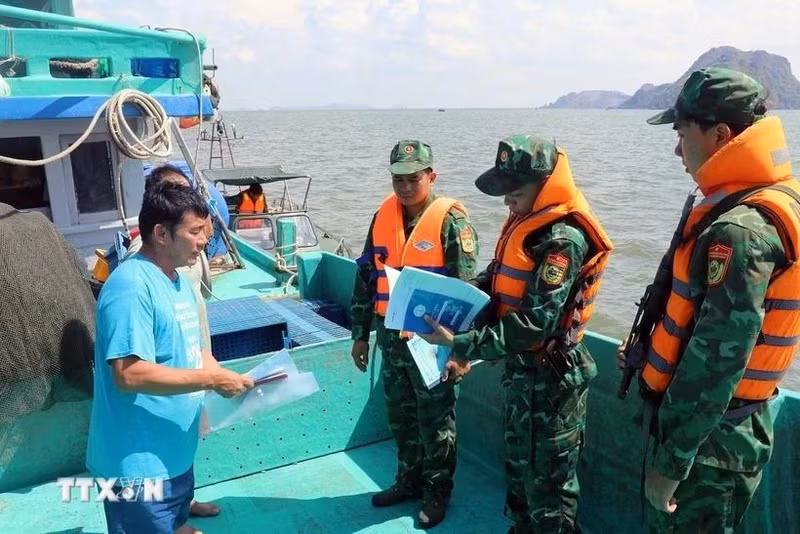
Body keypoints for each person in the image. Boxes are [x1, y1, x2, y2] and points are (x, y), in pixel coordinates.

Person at [614, 67, 800, 532]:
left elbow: (719, 361)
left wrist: (671, 465)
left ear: (720, 135)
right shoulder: (765, 202)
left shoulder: (739, 230)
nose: (677, 150)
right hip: (720, 433)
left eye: (682, 134)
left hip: (709, 450)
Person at [422, 135, 613, 534]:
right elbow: (498, 276)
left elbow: (535, 324)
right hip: (522, 374)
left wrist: (462, 343)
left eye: (515, 191)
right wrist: (460, 297)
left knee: (550, 482)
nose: (507, 201)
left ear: (544, 186)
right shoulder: (524, 221)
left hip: (552, 382)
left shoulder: (563, 239)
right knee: (519, 466)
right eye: (504, 191)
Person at [87, 181, 254, 534]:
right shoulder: (131, 286)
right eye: (194, 231)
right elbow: (128, 374)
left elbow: (195, 352)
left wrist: (229, 379)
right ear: (161, 234)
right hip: (138, 465)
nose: (204, 240)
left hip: (175, 453)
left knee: (173, 519)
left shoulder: (178, 281)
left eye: (205, 231)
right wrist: (211, 380)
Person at [350, 139, 479, 528]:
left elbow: (468, 294)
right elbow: (366, 276)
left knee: (436, 421)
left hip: (432, 344)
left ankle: (437, 492)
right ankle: (408, 481)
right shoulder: (382, 217)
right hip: (392, 340)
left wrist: (461, 352)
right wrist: (360, 334)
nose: (405, 187)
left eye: (414, 178)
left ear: (431, 176)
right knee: (401, 415)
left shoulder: (452, 223)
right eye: (398, 179)